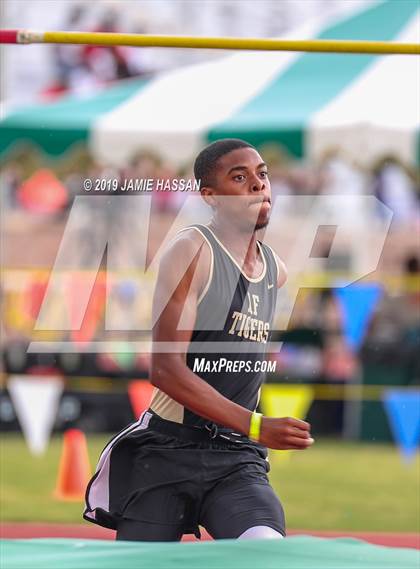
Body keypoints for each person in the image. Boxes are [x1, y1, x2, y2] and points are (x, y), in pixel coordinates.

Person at [84, 139, 314, 541]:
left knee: (264, 551)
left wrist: (250, 431)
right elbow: (165, 370)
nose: (258, 185)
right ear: (211, 196)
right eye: (238, 178)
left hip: (237, 459)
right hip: (169, 451)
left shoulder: (275, 270)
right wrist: (257, 425)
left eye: (262, 174)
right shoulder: (193, 250)